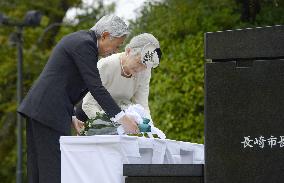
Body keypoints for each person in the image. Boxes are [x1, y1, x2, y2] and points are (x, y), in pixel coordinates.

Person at [17, 15, 139, 183]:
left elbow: (61, 84)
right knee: (53, 171)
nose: (115, 51)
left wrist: (72, 116)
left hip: (44, 110)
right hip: (48, 113)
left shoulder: (83, 42)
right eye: (116, 45)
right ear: (104, 36)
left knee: (40, 171)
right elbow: (96, 88)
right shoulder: (85, 44)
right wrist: (122, 118)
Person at [80, 33, 162, 122]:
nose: (140, 69)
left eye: (145, 66)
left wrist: (149, 129)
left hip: (122, 119)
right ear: (128, 51)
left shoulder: (145, 71)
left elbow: (142, 105)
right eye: (139, 62)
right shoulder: (106, 65)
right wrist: (114, 125)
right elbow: (88, 104)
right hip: (91, 118)